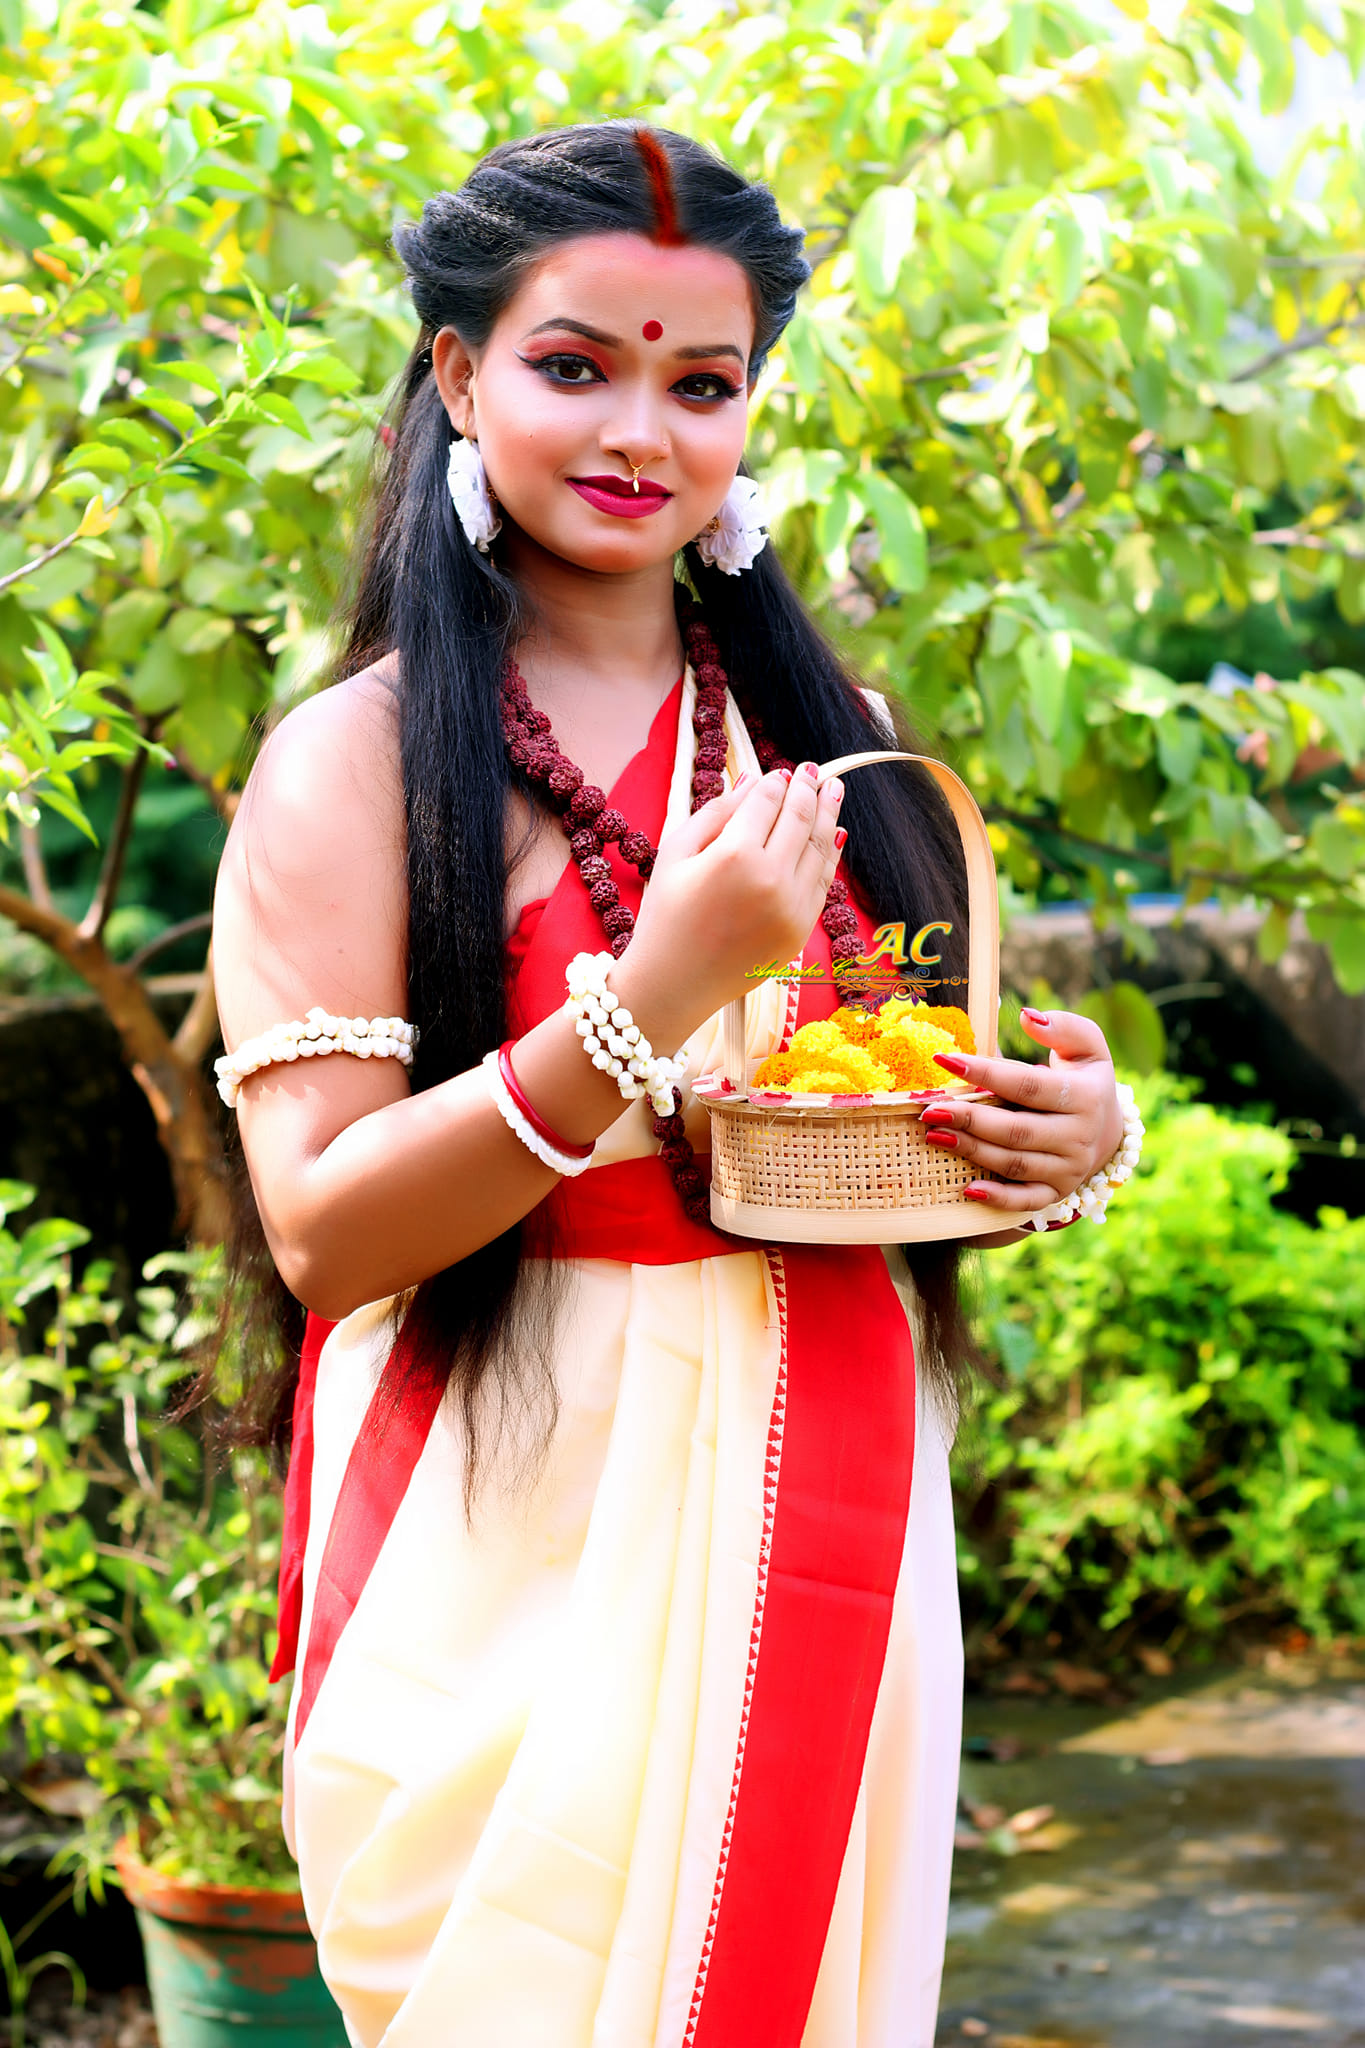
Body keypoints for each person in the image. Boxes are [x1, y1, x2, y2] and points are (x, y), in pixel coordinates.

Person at [212, 122, 1126, 2048]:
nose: (641, 431)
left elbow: (884, 1121)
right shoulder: (352, 763)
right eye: (574, 366)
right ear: (459, 374)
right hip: (499, 1501)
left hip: (830, 1468)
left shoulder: (836, 741)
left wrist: (1058, 1140)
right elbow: (318, 1239)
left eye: (701, 385)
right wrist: (648, 999)